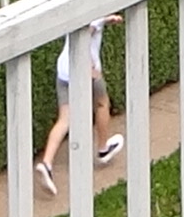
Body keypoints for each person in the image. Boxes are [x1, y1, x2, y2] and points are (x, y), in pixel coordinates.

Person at [34, 15, 125, 194]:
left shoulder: (77, 10)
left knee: (65, 119)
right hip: (83, 69)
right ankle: (103, 148)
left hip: (64, 71)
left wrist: (108, 20)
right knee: (102, 103)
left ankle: (47, 164)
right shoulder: (94, 11)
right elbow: (87, 34)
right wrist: (91, 66)